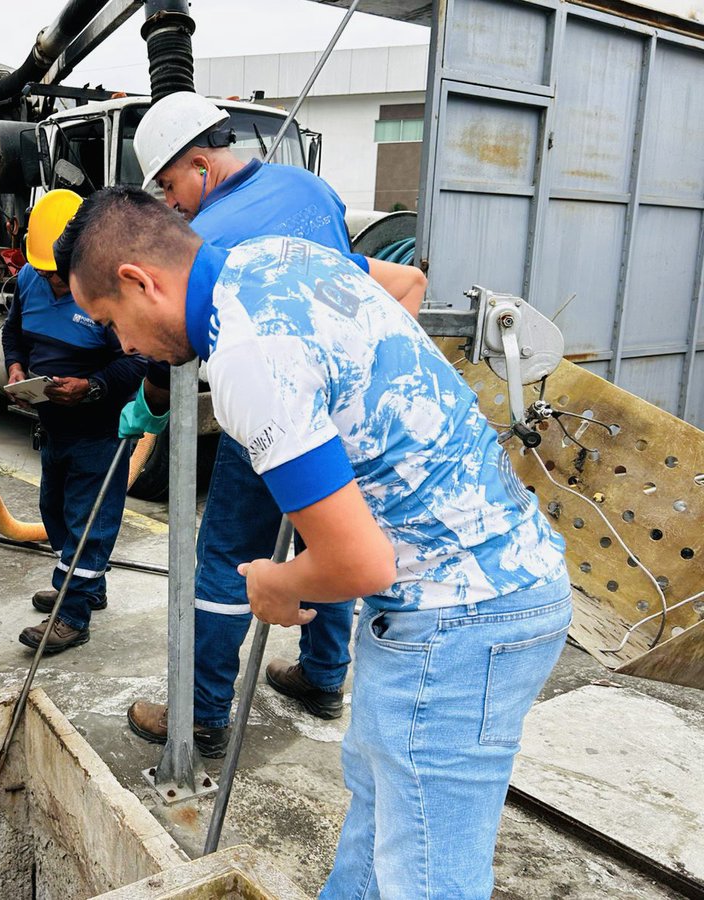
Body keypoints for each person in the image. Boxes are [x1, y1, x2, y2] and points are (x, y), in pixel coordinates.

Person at [56, 187, 571, 898]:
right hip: (486, 582)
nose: (126, 347)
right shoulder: (278, 254)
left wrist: (278, 585)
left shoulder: (245, 359)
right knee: (379, 816)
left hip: (459, 613)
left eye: (112, 322)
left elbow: (358, 562)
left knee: (427, 875)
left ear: (139, 281)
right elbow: (400, 286)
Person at [121, 92, 428, 758]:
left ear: (200, 162)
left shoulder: (211, 235)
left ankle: (200, 713)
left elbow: (177, 337)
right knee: (332, 535)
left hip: (275, 403)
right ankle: (321, 677)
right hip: (346, 405)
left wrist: (150, 400)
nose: (170, 202)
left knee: (230, 559)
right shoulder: (312, 186)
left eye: (171, 184)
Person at [1, 189, 146, 654]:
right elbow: (13, 333)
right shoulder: (28, 279)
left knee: (89, 525)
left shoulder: (111, 291)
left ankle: (73, 614)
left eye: (61, 275)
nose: (55, 283)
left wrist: (92, 388)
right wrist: (17, 366)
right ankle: (86, 585)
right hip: (52, 427)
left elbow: (137, 362)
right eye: (48, 272)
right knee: (56, 514)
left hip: (99, 431)